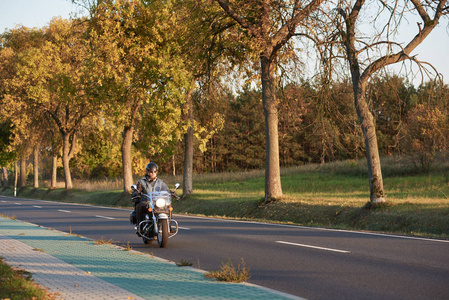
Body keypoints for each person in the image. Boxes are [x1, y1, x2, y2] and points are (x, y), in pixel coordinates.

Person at [134, 162, 169, 227]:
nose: (153, 173)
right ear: (147, 172)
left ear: (156, 172)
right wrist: (136, 194)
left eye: (154, 172)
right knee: (140, 206)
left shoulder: (160, 182)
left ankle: (168, 226)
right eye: (151, 172)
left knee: (169, 206)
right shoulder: (142, 181)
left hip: (157, 202)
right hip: (146, 202)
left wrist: (171, 193)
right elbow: (137, 190)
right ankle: (140, 226)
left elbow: (166, 189)